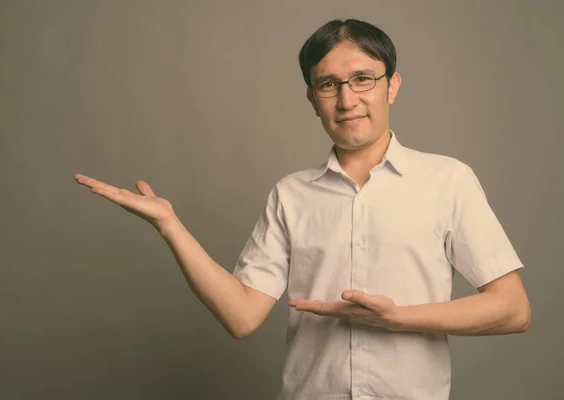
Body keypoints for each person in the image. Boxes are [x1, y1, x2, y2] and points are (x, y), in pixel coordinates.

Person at [74, 19, 530, 400]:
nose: (347, 99)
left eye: (362, 79)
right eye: (328, 84)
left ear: (392, 85)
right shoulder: (290, 195)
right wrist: (169, 225)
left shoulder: (447, 180)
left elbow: (512, 310)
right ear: (312, 100)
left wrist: (398, 318)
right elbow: (241, 316)